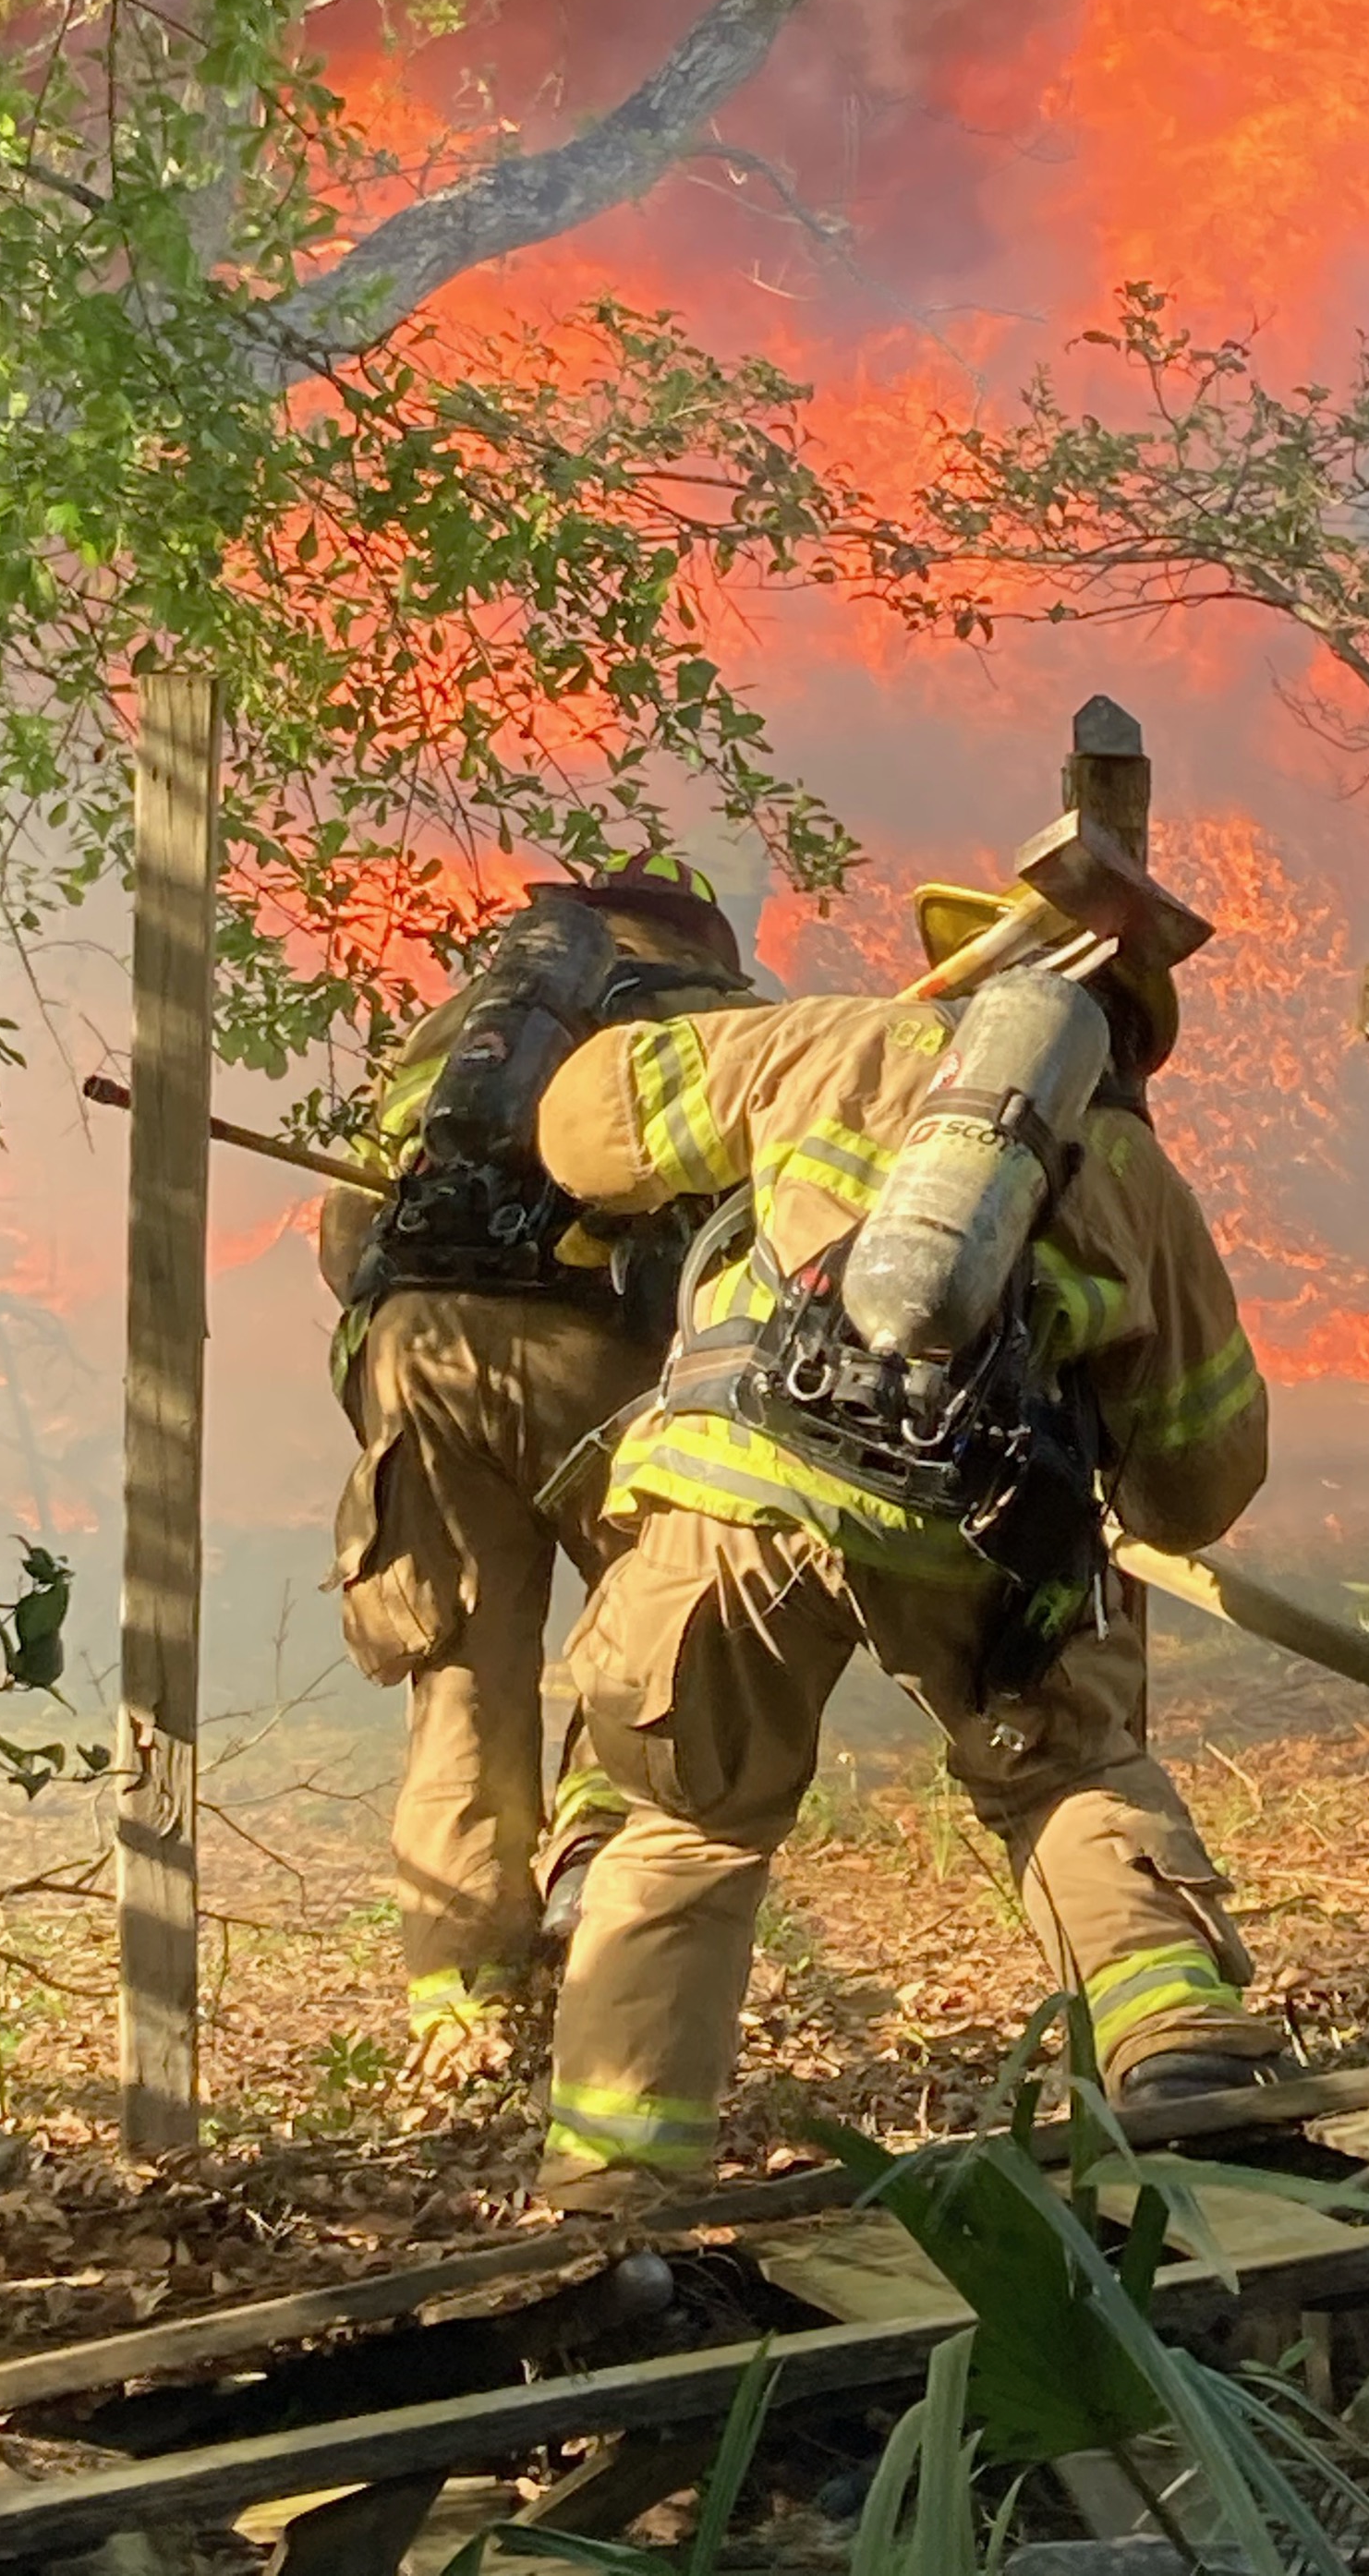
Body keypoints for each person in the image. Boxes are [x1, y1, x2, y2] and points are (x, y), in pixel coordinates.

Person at [529, 865, 1279, 2198]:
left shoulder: (833, 1040)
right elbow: (1202, 1477)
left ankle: (612, 2203)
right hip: (979, 1538)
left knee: (684, 1827)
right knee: (1067, 1773)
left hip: (733, 1492)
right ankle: (1182, 2052)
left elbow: (583, 1127)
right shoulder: (1130, 1170)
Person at [319, 851, 759, 2076]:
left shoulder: (461, 1028)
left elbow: (349, 1228)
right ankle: (593, 1850)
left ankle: (462, 2011)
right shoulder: (722, 1015)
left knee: (460, 1670)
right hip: (611, 1356)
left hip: (417, 1359)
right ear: (701, 929)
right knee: (655, 1615)